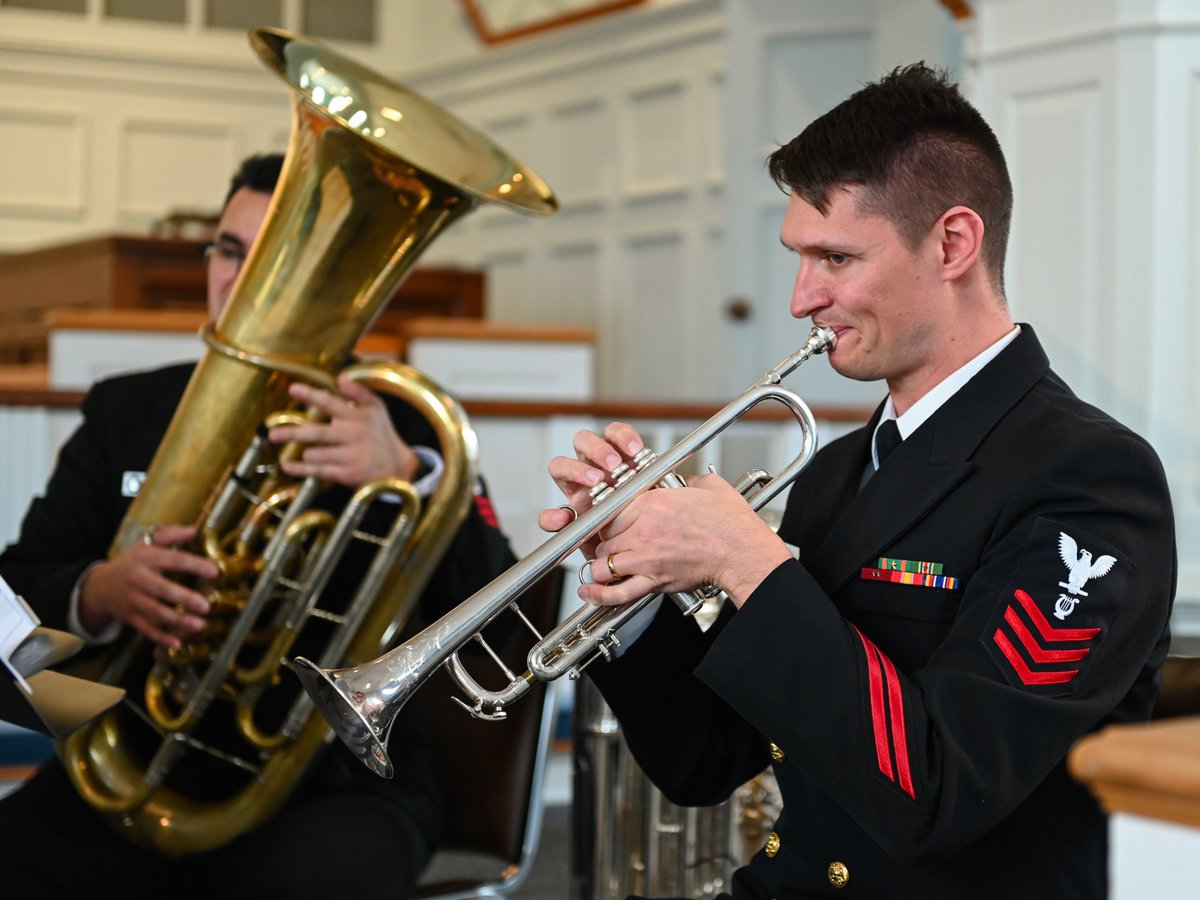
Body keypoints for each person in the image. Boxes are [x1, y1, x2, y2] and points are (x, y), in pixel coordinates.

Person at [541, 64, 1176, 899]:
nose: (804, 297)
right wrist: (634, 587)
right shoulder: (842, 469)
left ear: (953, 243)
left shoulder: (1090, 477)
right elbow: (705, 760)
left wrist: (747, 563)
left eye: (836, 257)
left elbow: (940, 791)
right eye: (800, 258)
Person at [0, 153, 517, 899]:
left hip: (338, 784)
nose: (240, 282)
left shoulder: (400, 425)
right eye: (230, 251)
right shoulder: (125, 412)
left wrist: (406, 476)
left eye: (274, 262)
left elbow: (498, 631)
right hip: (127, 766)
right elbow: (19, 590)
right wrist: (103, 590)